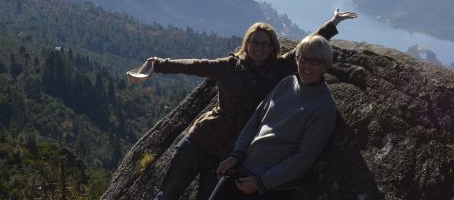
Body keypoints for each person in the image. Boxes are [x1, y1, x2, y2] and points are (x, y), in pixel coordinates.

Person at [133, 10, 356, 200]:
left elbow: (309, 50)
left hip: (228, 155)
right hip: (199, 142)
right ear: (247, 43)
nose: (258, 47)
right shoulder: (229, 66)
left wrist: (333, 23)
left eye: (264, 43)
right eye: (254, 42)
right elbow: (195, 65)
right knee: (165, 196)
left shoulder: (279, 69)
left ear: (273, 47)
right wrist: (157, 65)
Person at [210, 34, 337, 199]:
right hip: (242, 169)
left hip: (270, 187)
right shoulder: (287, 83)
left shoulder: (323, 107)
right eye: (302, 59)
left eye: (314, 61)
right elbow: (257, 118)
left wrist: (261, 183)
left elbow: (304, 158)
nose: (306, 66)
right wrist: (236, 155)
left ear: (325, 66)